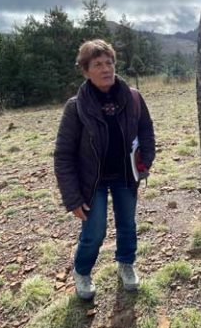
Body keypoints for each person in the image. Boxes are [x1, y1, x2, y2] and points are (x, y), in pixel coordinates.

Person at [54, 39, 155, 300]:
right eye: (97, 64)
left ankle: (126, 263)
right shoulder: (76, 107)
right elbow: (63, 156)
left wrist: (146, 160)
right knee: (94, 231)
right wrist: (72, 197)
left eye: (109, 63)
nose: (106, 68)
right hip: (92, 181)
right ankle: (82, 271)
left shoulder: (132, 97)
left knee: (127, 225)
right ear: (85, 71)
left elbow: (146, 129)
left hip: (125, 175)